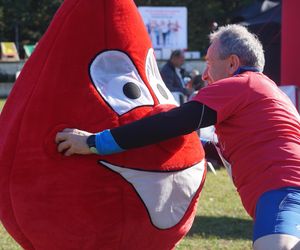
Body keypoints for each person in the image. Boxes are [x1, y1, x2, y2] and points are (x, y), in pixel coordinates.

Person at [56, 24, 300, 250]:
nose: (204, 75)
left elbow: (171, 123)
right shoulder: (268, 91)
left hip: (283, 189)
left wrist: (93, 142)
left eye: (209, 63)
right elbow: (242, 147)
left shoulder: (238, 85)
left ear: (233, 63)